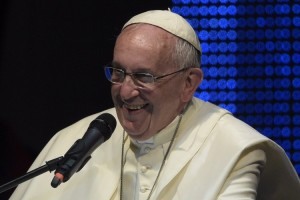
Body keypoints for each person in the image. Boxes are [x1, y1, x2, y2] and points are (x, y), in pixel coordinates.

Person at [10, 10, 300, 200]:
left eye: (143, 76)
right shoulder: (73, 139)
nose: (125, 91)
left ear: (189, 83)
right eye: (118, 72)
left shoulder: (236, 149)